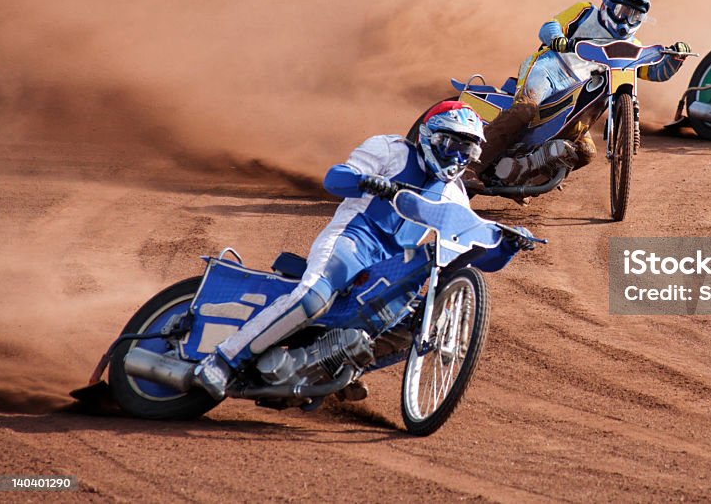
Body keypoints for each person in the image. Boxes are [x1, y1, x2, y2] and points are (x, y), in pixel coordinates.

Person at [193, 102, 533, 401]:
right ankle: (223, 361)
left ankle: (330, 370)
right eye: (451, 145)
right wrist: (366, 181)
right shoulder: (391, 150)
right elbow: (334, 178)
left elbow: (475, 255)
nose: (457, 157)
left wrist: (506, 247)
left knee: (416, 326)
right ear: (429, 137)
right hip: (353, 241)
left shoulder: (455, 194)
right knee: (314, 298)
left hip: (391, 266)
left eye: (467, 152)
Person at [471, 0, 691, 180]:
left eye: (635, 15)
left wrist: (675, 60)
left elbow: (650, 72)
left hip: (579, 91)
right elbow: (550, 26)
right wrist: (557, 38)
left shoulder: (632, 47)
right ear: (606, 6)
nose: (626, 20)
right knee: (525, 109)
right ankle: (472, 167)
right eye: (622, 11)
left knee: (585, 152)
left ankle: (523, 173)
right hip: (551, 68)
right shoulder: (586, 12)